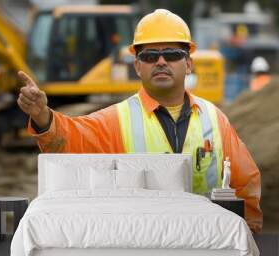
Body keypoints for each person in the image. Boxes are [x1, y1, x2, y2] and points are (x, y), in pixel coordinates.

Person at [17, 9, 262, 234]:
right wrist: (42, 116)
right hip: (145, 248)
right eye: (150, 56)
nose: (161, 62)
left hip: (207, 247)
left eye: (172, 54)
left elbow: (245, 183)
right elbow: (70, 139)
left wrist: (247, 237)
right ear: (137, 66)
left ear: (188, 64)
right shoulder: (117, 120)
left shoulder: (214, 120)